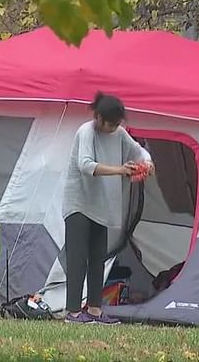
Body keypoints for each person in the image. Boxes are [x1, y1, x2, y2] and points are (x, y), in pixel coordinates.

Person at [62, 92, 154, 324]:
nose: (114, 128)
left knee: (97, 258)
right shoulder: (86, 132)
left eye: (117, 124)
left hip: (102, 206)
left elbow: (138, 151)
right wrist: (120, 170)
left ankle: (94, 309)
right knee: (78, 257)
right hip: (79, 204)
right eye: (111, 123)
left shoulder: (120, 134)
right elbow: (85, 165)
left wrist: (147, 163)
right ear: (99, 117)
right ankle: (72, 311)